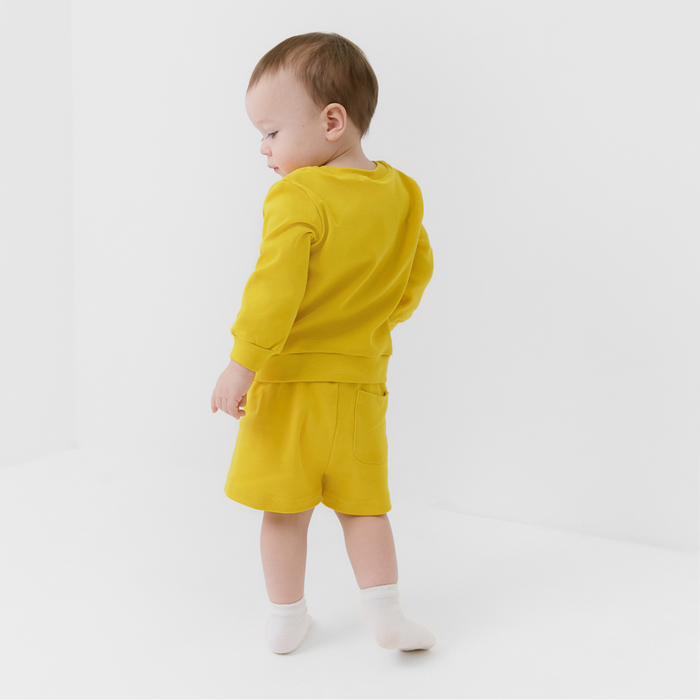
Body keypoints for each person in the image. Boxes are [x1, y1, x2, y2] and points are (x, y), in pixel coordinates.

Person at [211, 32, 435, 655]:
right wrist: (372, 327)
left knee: (285, 512)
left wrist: (241, 364)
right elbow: (416, 273)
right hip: (360, 384)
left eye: (271, 132)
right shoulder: (403, 193)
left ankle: (287, 620)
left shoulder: (298, 194)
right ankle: (386, 612)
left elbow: (273, 290)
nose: (263, 148)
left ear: (332, 122)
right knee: (364, 508)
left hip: (289, 388)